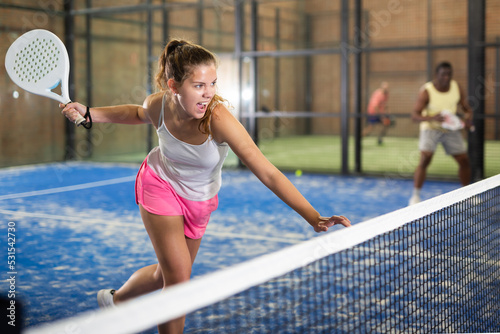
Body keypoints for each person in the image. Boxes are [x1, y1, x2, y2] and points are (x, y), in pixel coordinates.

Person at [61, 39, 351, 333]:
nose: (209, 92)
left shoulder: (218, 119)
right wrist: (90, 113)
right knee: (178, 282)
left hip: (200, 199)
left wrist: (313, 216)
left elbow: (267, 172)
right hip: (159, 184)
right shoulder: (158, 104)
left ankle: (117, 300)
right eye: (199, 85)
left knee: (170, 273)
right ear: (174, 86)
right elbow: (138, 113)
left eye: (213, 83)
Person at [408, 61, 473, 205]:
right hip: (430, 127)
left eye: (449, 74)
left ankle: (468, 194)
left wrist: (467, 120)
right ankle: (415, 196)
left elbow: (467, 109)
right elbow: (415, 115)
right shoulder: (426, 90)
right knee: (425, 158)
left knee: (464, 160)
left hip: (450, 129)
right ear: (436, 75)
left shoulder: (456, 87)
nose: (446, 77)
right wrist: (433, 117)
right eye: (443, 74)